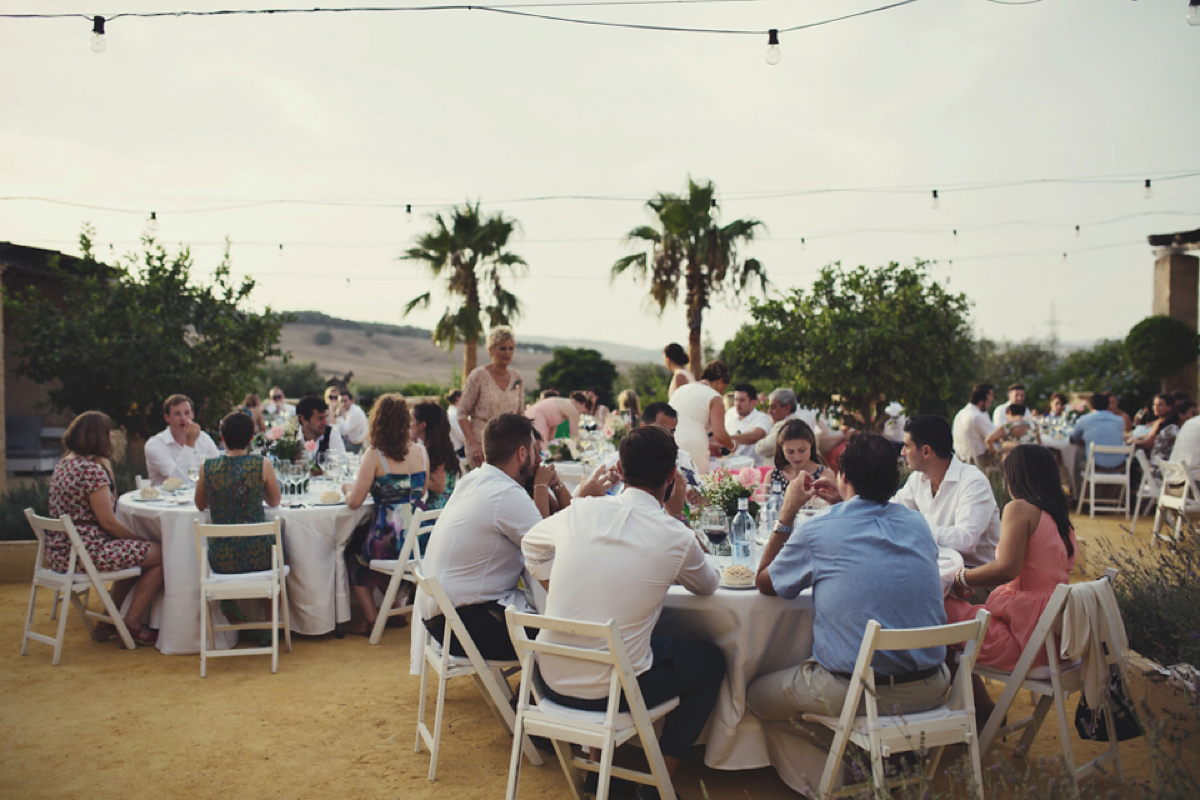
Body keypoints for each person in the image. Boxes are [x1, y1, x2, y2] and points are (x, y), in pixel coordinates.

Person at [522, 425, 724, 791]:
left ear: (619, 466)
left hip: (548, 680)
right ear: (672, 476)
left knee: (637, 638)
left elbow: (530, 545)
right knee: (711, 661)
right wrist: (677, 519)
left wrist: (560, 590)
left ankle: (601, 766)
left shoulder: (580, 512)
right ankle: (656, 779)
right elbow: (709, 585)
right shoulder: (673, 534)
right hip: (612, 693)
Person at [746, 434, 949, 746]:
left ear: (844, 477)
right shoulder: (917, 524)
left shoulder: (819, 530)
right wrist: (845, 502)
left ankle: (839, 761)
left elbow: (764, 581)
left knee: (753, 696)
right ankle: (874, 753)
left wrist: (787, 513)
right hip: (930, 687)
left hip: (854, 692)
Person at [418, 414, 612, 660]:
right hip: (467, 626)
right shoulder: (505, 494)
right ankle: (546, 693)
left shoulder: (473, 480)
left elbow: (548, 528)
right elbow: (556, 545)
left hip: (443, 621)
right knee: (573, 633)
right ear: (522, 453)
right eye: (535, 450)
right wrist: (579, 497)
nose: (539, 459)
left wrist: (553, 487)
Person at [944, 444, 1078, 725]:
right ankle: (981, 711)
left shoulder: (1019, 509)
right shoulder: (1059, 517)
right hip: (1055, 640)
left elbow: (1007, 569)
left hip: (1026, 640)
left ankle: (975, 715)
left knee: (937, 612)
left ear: (1014, 475)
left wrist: (960, 578)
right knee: (955, 617)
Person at [47, 411, 164, 647]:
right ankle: (132, 623)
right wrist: (138, 538)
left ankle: (109, 621)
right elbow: (108, 522)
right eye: (108, 431)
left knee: (136, 553)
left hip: (61, 553)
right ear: (97, 437)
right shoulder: (91, 471)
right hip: (86, 553)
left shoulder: (64, 465)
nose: (111, 435)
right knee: (160, 554)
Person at [342, 394, 429, 636]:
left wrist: (347, 489)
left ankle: (372, 618)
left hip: (390, 536)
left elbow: (355, 502)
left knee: (354, 555)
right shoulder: (421, 451)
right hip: (420, 538)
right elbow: (420, 492)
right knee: (392, 556)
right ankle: (396, 609)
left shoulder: (374, 455)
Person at [893, 414, 1001, 569]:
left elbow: (966, 541)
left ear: (926, 451)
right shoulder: (918, 478)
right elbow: (892, 511)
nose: (902, 452)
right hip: (937, 569)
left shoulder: (973, 481)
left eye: (907, 446)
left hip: (975, 580)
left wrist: (916, 528)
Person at [194, 412, 282, 571]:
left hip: (221, 558)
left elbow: (200, 505)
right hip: (260, 555)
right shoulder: (262, 464)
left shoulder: (206, 466)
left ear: (222, 437)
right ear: (251, 439)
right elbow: (275, 501)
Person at [459, 326, 524, 468]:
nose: (507, 352)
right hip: (482, 446)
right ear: (491, 350)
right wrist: (473, 444)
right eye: (502, 348)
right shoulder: (479, 376)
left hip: (509, 445)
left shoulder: (517, 378)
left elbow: (520, 415)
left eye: (510, 348)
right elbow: (462, 413)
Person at [671, 360, 734, 476]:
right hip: (694, 446)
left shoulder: (681, 389)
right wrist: (732, 445)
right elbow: (720, 435)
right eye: (724, 387)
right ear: (720, 382)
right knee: (696, 486)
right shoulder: (714, 396)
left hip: (669, 441)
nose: (722, 391)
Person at [144, 394, 220, 486]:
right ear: (167, 418)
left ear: (192, 415)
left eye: (187, 413)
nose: (183, 418)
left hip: (198, 498)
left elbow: (219, 469)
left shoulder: (204, 438)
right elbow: (178, 480)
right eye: (177, 414)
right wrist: (189, 444)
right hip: (167, 499)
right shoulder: (154, 445)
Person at [768, 420, 829, 510]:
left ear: (811, 445)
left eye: (802, 450)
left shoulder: (824, 474)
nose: (797, 457)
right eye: (790, 452)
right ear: (781, 450)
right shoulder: (772, 476)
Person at [411, 401, 462, 509]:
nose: (409, 425)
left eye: (411, 420)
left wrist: (411, 475)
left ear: (422, 425)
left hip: (437, 513)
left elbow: (439, 486)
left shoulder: (437, 450)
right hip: (446, 509)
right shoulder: (439, 445)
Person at [755, 388, 820, 462]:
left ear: (787, 408)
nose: (769, 411)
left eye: (773, 407)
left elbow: (760, 448)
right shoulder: (796, 420)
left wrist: (763, 438)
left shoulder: (785, 426)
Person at [1070, 392, 1127, 470]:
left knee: (1076, 464)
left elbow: (1073, 439)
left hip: (1095, 467)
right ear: (1107, 405)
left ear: (1091, 406)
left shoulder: (1084, 419)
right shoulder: (1120, 420)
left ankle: (1079, 482)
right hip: (1119, 467)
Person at [952, 383, 1004, 465]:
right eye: (991, 396)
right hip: (977, 460)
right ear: (984, 398)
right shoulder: (977, 416)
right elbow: (994, 436)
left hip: (961, 458)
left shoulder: (960, 413)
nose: (993, 399)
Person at [725, 384, 773, 466]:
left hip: (753, 468)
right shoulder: (730, 413)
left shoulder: (762, 418)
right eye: (736, 400)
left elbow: (756, 435)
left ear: (753, 402)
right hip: (729, 464)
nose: (737, 404)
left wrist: (726, 439)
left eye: (742, 400)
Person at [1149, 400, 1197, 481]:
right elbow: (1186, 451)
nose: (1195, 417)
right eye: (1193, 414)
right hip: (1164, 475)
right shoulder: (1173, 430)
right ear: (1181, 414)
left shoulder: (1175, 428)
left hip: (1168, 473)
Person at [445, 389, 467, 460]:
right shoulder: (453, 414)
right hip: (458, 449)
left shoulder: (454, 412)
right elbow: (461, 436)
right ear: (458, 398)